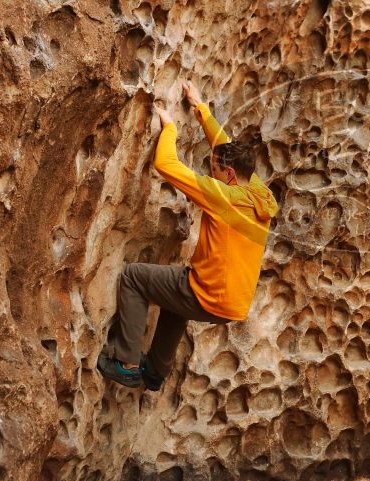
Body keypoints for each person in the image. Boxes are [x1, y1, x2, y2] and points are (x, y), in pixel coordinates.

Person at [97, 81, 279, 390]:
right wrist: (200, 109)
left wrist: (169, 130)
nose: (211, 173)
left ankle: (126, 364)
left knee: (133, 277)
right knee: (177, 296)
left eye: (214, 170)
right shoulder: (258, 192)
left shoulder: (224, 196)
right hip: (233, 301)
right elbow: (226, 148)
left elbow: (165, 164)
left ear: (229, 177)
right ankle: (154, 372)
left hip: (210, 295)